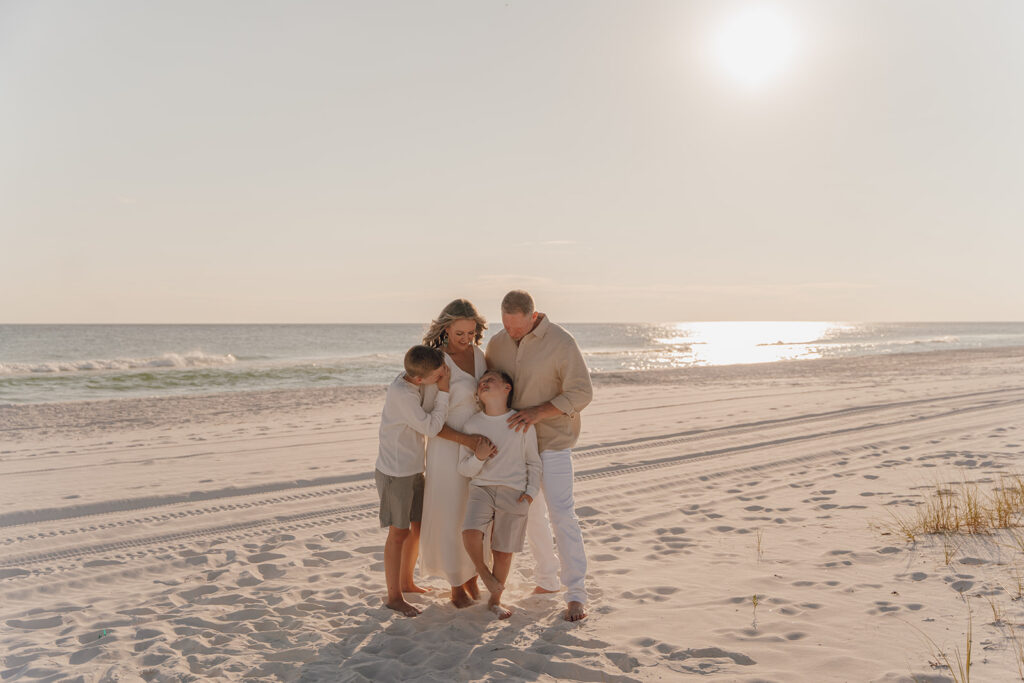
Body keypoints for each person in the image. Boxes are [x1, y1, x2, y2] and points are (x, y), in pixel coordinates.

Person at [485, 290, 594, 622]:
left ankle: (576, 594)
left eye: (517, 327)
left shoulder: (562, 342)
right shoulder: (497, 343)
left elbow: (582, 392)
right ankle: (546, 580)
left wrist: (539, 412)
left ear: (534, 317)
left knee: (562, 514)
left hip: (553, 441)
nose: (511, 333)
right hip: (516, 446)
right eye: (506, 325)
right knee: (530, 516)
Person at [418, 299, 498, 608]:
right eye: (459, 333)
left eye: (471, 333)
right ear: (445, 329)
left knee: (474, 514)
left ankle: (472, 578)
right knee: (451, 513)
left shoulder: (479, 355)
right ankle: (455, 587)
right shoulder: (436, 362)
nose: (466, 339)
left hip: (478, 445)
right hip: (448, 445)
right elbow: (429, 421)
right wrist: (466, 441)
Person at [374, 344, 451, 617]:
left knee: (417, 528)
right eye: (438, 374)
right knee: (399, 532)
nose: (443, 375)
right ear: (419, 380)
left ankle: (407, 582)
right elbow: (431, 427)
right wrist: (443, 393)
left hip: (414, 468)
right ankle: (394, 597)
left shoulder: (412, 378)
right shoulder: (402, 394)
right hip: (397, 472)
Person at [458, 370, 541, 619]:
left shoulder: (521, 422)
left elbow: (533, 462)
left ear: (507, 388)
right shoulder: (472, 424)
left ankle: (495, 600)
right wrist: (479, 457)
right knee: (470, 531)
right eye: (481, 382)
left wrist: (530, 494)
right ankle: (484, 573)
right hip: (481, 487)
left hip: (514, 492)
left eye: (490, 380)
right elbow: (463, 467)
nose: (483, 383)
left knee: (503, 551)